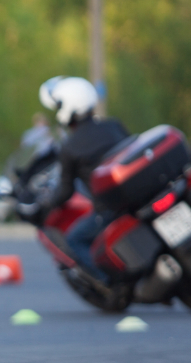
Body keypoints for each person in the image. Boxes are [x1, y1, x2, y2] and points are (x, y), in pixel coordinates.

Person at [20, 76, 129, 282]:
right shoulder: (114, 126)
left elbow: (65, 191)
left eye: (59, 105)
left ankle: (112, 283)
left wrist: (46, 205)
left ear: (68, 107)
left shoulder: (70, 147)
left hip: (110, 210)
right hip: (137, 196)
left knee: (74, 240)